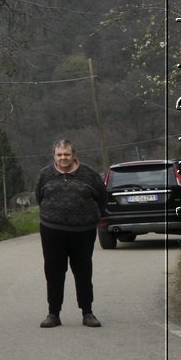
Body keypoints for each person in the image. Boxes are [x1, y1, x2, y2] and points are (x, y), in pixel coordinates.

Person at [33, 139, 110, 328]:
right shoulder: (45, 174)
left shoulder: (89, 174)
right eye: (59, 155)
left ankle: (87, 312)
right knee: (54, 272)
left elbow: (102, 197)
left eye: (66, 154)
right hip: (52, 230)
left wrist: (93, 217)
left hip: (83, 231)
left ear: (74, 155)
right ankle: (53, 313)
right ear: (54, 156)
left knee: (83, 271)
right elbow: (39, 197)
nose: (63, 158)